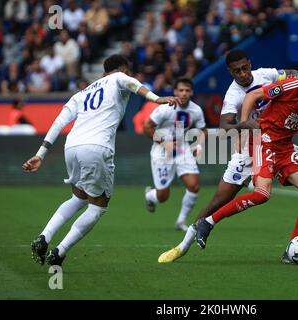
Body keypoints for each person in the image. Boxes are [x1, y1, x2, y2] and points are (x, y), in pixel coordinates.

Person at [158, 50, 298, 263]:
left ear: (250, 64)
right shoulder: (233, 95)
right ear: (230, 72)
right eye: (236, 71)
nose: (242, 74)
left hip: (282, 142)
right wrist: (245, 125)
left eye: (245, 68)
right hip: (254, 144)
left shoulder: (267, 75)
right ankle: (183, 245)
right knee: (220, 201)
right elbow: (225, 126)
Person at [23, 54, 180, 267]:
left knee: (79, 198)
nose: (128, 75)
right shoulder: (118, 78)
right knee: (97, 207)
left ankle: (44, 237)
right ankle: (59, 252)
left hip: (72, 146)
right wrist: (156, 98)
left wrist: (41, 154)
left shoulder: (81, 93)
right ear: (121, 70)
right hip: (97, 147)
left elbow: (59, 122)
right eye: (127, 71)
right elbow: (132, 83)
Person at [143, 78, 207, 231]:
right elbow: (147, 127)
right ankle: (150, 196)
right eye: (181, 90)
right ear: (175, 92)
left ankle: (181, 221)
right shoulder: (165, 108)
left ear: (191, 92)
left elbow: (202, 130)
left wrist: (198, 145)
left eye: (187, 90)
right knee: (163, 196)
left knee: (194, 185)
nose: (184, 93)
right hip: (162, 152)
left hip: (182, 149)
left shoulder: (196, 110)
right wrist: (164, 142)